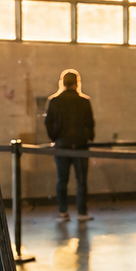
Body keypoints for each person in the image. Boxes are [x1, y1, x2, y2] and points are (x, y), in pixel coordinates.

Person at [44, 69, 96, 221]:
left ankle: (63, 211)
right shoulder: (84, 101)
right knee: (81, 180)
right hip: (80, 146)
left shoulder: (54, 101)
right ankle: (82, 212)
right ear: (77, 83)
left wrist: (55, 137)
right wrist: (87, 138)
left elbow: (48, 123)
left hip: (61, 145)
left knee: (62, 179)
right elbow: (90, 123)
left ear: (62, 82)